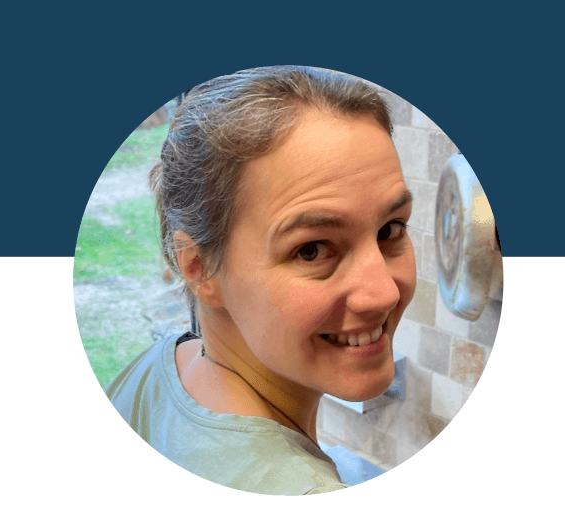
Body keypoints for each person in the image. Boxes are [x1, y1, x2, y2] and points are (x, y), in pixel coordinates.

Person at [105, 66, 416, 495]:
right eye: (312, 249)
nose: (383, 292)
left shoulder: (156, 370)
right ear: (198, 267)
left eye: (390, 230)